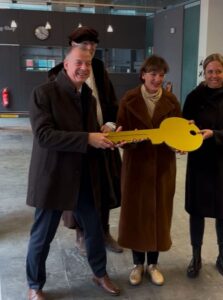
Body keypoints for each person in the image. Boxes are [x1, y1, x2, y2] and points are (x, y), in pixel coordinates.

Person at [26, 46, 120, 300]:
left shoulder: (87, 94)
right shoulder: (43, 94)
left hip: (83, 178)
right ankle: (35, 285)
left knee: (94, 229)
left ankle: (99, 273)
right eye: (79, 62)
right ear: (65, 65)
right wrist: (89, 138)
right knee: (42, 235)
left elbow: (90, 133)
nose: (84, 68)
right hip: (53, 178)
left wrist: (105, 137)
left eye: (88, 64)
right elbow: (45, 136)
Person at [48, 26, 123, 254]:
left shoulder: (98, 67)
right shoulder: (57, 74)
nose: (89, 50)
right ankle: (82, 233)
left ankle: (104, 231)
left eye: (92, 46)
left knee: (106, 186)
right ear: (72, 48)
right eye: (83, 45)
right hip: (79, 143)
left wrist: (110, 124)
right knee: (80, 192)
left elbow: (110, 100)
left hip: (104, 136)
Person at [116, 55, 182, 287]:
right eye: (153, 74)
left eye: (161, 75)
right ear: (143, 74)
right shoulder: (129, 99)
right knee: (136, 214)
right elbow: (120, 131)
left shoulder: (172, 101)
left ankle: (153, 264)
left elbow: (178, 132)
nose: (157, 79)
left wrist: (182, 143)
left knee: (159, 214)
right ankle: (137, 264)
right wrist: (131, 139)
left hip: (163, 166)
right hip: (136, 165)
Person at [182, 53, 223, 280]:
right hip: (199, 161)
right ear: (204, 73)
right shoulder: (193, 97)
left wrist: (214, 134)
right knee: (196, 209)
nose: (214, 76)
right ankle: (196, 256)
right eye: (210, 71)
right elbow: (184, 127)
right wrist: (186, 130)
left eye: (218, 71)